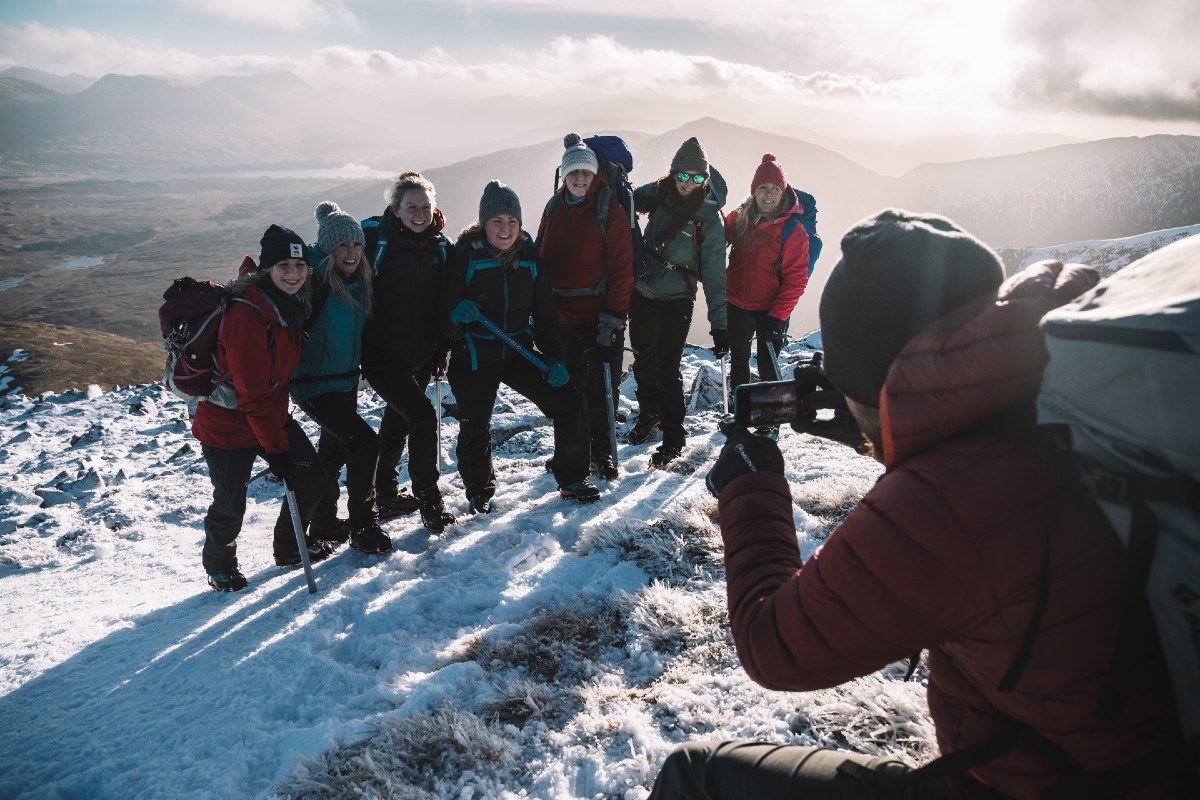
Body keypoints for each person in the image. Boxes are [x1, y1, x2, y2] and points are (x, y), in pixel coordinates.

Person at [654, 210, 1185, 799]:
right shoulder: (1065, 386)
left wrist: (749, 488)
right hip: (1149, 760)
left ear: (867, 378)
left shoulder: (950, 507)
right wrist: (882, 421)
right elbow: (981, 451)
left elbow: (773, 645)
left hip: (1038, 784)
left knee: (696, 778)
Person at [442, 179, 598, 512]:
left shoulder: (530, 260)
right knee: (475, 421)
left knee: (569, 400)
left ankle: (571, 477)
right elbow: (441, 306)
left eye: (512, 221)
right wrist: (454, 313)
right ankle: (479, 490)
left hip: (516, 350)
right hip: (474, 352)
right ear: (484, 223)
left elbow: (545, 317)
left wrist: (555, 359)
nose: (505, 228)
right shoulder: (466, 256)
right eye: (497, 221)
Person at [191, 224, 332, 592]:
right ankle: (220, 565)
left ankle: (288, 547)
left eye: (300, 266)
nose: (294, 273)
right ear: (267, 268)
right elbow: (250, 391)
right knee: (230, 500)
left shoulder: (288, 303)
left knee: (311, 476)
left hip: (267, 415)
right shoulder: (246, 314)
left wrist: (275, 439)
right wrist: (276, 448)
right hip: (227, 424)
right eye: (283, 265)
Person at [290, 202, 391, 555]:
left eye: (357, 245)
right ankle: (363, 525)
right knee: (366, 443)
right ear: (328, 248)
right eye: (343, 246)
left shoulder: (361, 280)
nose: (351, 253)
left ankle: (324, 522)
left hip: (345, 382)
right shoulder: (313, 281)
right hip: (313, 385)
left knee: (332, 455)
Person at [360, 170, 456, 533]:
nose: (419, 213)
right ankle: (430, 502)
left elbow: (442, 305)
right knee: (420, 417)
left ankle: (383, 495)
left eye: (425, 206)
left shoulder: (441, 248)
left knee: (397, 423)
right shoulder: (377, 242)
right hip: (382, 356)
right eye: (411, 206)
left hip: (421, 356)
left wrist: (440, 351)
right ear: (396, 209)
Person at [536, 133, 635, 481]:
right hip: (561, 318)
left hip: (599, 318)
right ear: (564, 176)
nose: (579, 179)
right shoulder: (553, 209)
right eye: (573, 172)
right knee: (567, 389)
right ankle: (569, 453)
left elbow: (624, 269)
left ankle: (603, 453)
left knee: (602, 388)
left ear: (595, 176)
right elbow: (538, 259)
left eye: (586, 173)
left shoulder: (610, 210)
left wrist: (614, 317)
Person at [628, 136, 728, 468]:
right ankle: (650, 414)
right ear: (673, 174)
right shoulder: (658, 193)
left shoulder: (710, 220)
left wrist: (720, 325)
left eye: (696, 177)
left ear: (706, 178)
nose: (687, 183)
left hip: (677, 299)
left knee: (667, 369)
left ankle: (674, 437)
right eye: (682, 175)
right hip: (641, 290)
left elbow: (715, 275)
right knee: (643, 359)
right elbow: (625, 200)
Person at [723, 153, 811, 436]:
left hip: (770, 310)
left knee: (767, 364)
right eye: (763, 188)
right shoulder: (740, 218)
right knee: (738, 361)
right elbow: (716, 240)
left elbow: (796, 280)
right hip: (736, 302)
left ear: (783, 191)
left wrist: (778, 316)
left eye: (774, 188)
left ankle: (771, 425)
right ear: (754, 191)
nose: (768, 194)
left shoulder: (792, 230)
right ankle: (741, 416)